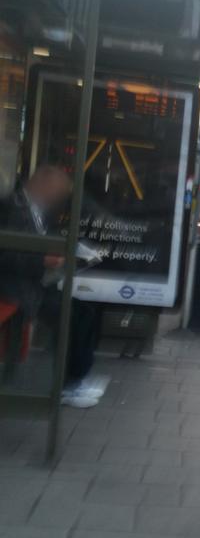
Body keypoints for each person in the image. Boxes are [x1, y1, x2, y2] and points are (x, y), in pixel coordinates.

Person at [0, 166, 105, 407]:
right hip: (14, 287)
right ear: (42, 184)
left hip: (32, 284)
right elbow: (6, 253)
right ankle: (69, 383)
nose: (58, 198)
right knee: (70, 316)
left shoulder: (39, 210)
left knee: (84, 312)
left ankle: (74, 379)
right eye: (57, 191)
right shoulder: (10, 207)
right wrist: (42, 260)